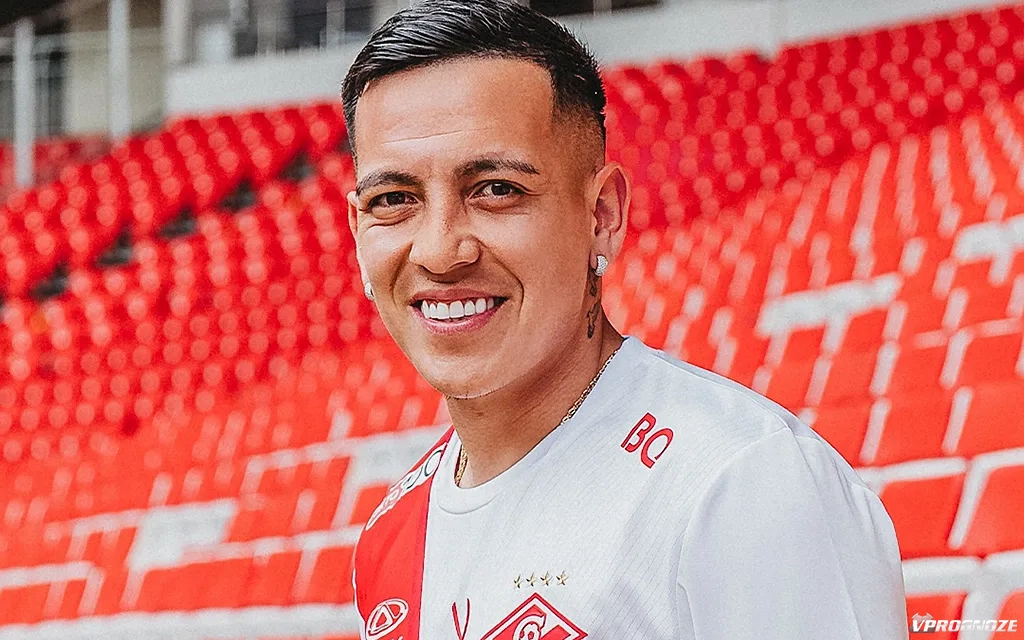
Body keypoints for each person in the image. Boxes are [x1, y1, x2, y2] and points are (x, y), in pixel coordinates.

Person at [342, 1, 908, 638]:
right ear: (358, 231)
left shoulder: (741, 482)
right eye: (394, 199)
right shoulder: (393, 527)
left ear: (602, 215)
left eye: (497, 189)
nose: (440, 251)